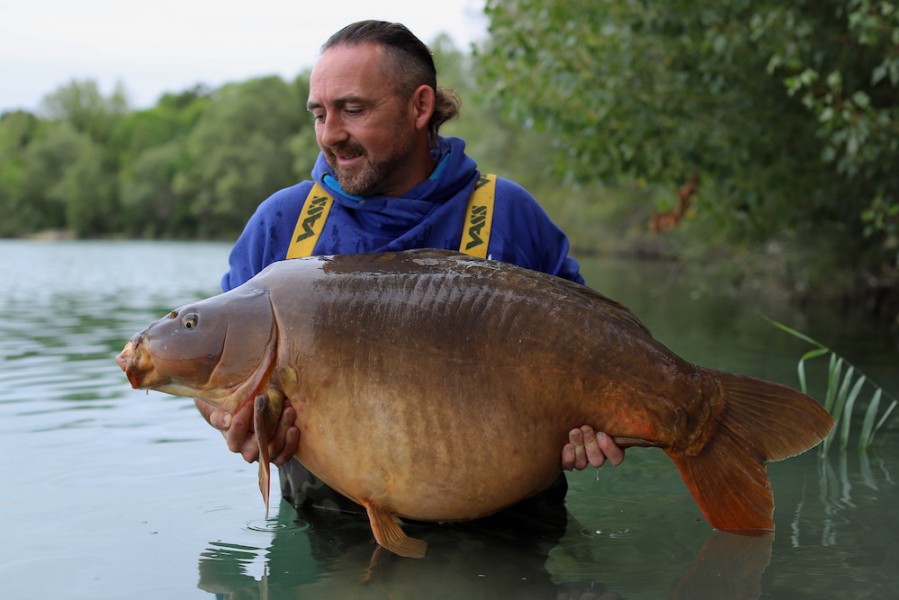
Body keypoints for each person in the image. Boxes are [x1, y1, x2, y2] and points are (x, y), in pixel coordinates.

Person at [196, 20, 624, 518]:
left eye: (353, 109)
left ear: (420, 107)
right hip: (334, 527)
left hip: (505, 527)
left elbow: (598, 357)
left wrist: (592, 426)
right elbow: (214, 376)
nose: (331, 134)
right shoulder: (283, 224)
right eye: (320, 113)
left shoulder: (506, 212)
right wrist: (233, 418)